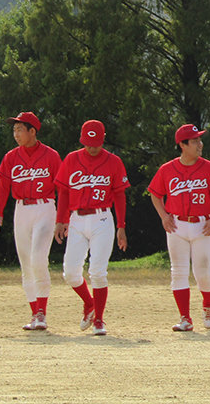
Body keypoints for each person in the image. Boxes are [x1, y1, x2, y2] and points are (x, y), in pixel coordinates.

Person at [148, 124, 210, 332]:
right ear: (182, 145)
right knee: (178, 272)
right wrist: (163, 216)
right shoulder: (167, 169)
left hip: (202, 224)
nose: (200, 144)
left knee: (202, 272)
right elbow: (155, 193)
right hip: (177, 224)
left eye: (199, 140)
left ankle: (208, 304)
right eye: (194, 141)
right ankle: (185, 318)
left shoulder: (209, 168)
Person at [54, 120, 130, 336]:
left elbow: (119, 196)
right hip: (76, 219)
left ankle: (98, 320)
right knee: (70, 273)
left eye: (95, 142)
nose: (91, 147)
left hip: (102, 219)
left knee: (97, 271)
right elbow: (64, 192)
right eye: (87, 142)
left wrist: (121, 227)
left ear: (102, 139)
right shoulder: (71, 159)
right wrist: (61, 219)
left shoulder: (113, 161)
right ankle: (89, 304)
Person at [0, 112, 62, 331]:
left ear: (32, 131)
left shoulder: (51, 156)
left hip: (45, 207)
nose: (16, 134)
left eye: (19, 129)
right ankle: (34, 315)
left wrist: (63, 217)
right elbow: (4, 185)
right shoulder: (11, 157)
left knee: (38, 258)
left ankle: (42, 313)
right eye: (14, 130)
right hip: (21, 209)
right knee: (26, 265)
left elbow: (62, 188)